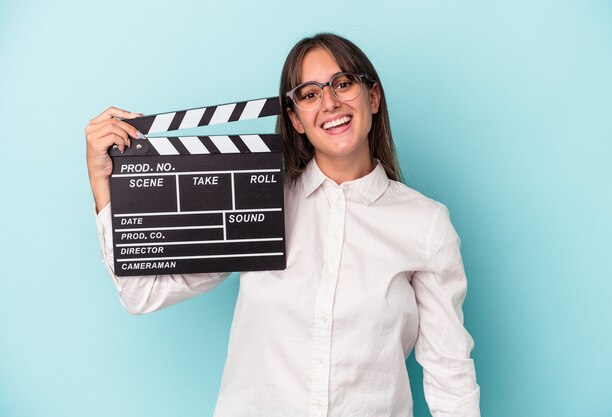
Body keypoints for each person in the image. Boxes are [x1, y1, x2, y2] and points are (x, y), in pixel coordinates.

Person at [85, 33, 480, 417]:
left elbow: (450, 373)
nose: (329, 102)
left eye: (342, 84)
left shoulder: (424, 223)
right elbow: (141, 294)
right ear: (294, 119)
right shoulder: (258, 200)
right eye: (309, 94)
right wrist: (103, 185)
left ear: (372, 97)